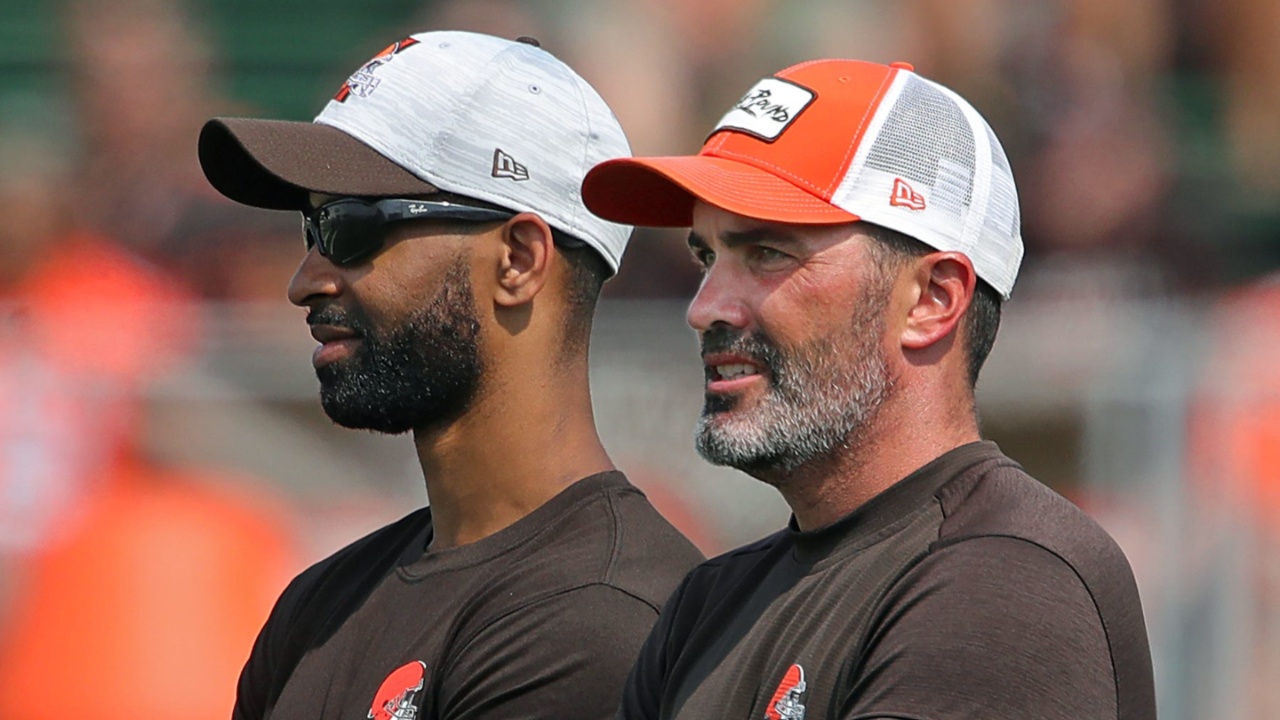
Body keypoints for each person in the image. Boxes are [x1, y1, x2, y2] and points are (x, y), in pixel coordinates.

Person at [581, 59, 1157, 719]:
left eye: (768, 253)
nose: (705, 307)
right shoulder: (708, 605)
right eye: (707, 257)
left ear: (932, 301)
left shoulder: (1008, 583)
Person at [196, 30, 703, 720]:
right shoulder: (322, 603)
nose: (305, 281)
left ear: (519, 260)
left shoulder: (601, 620)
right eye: (310, 231)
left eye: (350, 228)